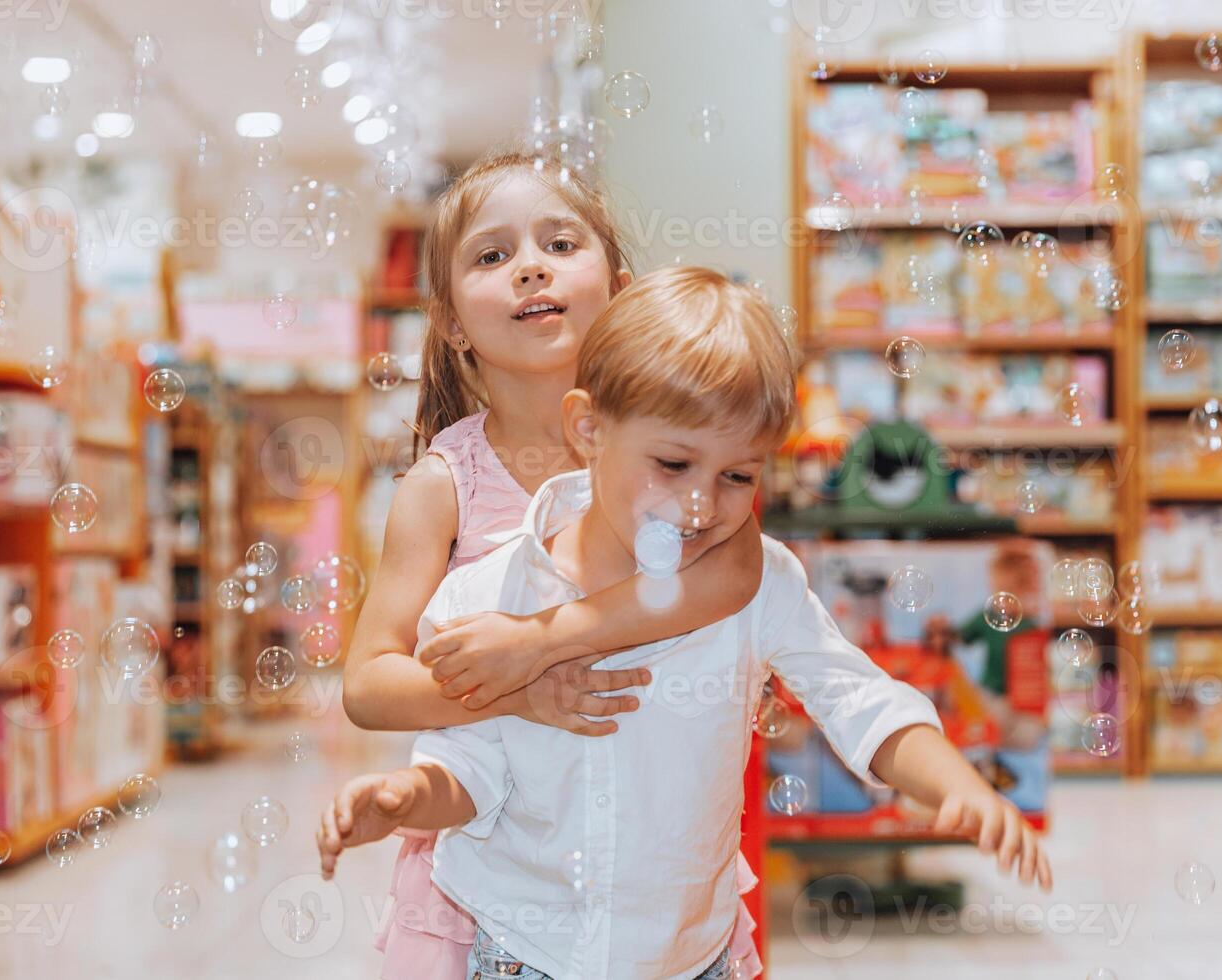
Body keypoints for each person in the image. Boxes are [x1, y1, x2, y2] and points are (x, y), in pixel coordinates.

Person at [321, 267, 1053, 980]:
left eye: (738, 475)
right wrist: (408, 800)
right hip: (524, 951)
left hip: (690, 956)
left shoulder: (760, 583)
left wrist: (951, 778)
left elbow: (856, 696)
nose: (703, 503)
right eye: (673, 464)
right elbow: (473, 768)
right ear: (588, 430)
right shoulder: (491, 595)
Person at [335, 153, 768, 979]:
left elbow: (736, 570)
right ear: (453, 321)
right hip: (494, 878)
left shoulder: (680, 451)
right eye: (492, 257)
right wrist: (523, 695)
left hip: (654, 865)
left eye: (560, 243)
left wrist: (537, 641)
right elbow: (367, 683)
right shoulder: (444, 485)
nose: (530, 266)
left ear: (621, 285)